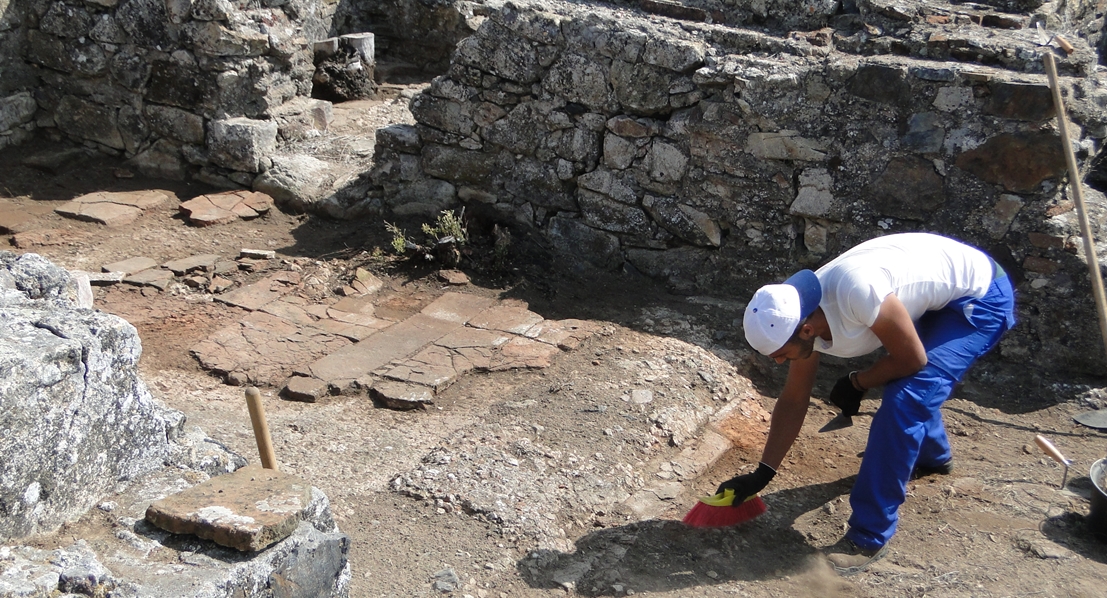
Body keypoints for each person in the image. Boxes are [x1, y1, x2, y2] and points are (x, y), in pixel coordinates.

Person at [721, 232, 1016, 575]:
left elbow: (913, 360)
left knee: (905, 398)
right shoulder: (796, 309)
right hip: (928, 289)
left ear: (805, 330)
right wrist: (763, 473)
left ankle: (868, 536)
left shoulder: (856, 293)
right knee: (911, 388)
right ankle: (934, 458)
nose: (778, 363)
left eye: (781, 354)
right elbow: (794, 397)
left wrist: (858, 382)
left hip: (979, 295)